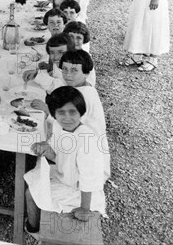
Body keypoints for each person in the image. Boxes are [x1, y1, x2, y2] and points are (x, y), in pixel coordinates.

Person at [24, 86, 106, 236]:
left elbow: (89, 178)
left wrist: (84, 209)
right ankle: (34, 225)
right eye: (61, 113)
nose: (67, 118)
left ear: (81, 112)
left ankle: (33, 229)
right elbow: (57, 156)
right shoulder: (59, 127)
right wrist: (44, 148)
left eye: (72, 112)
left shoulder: (87, 140)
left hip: (80, 191)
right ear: (54, 114)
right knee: (32, 181)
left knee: (31, 193)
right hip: (65, 177)